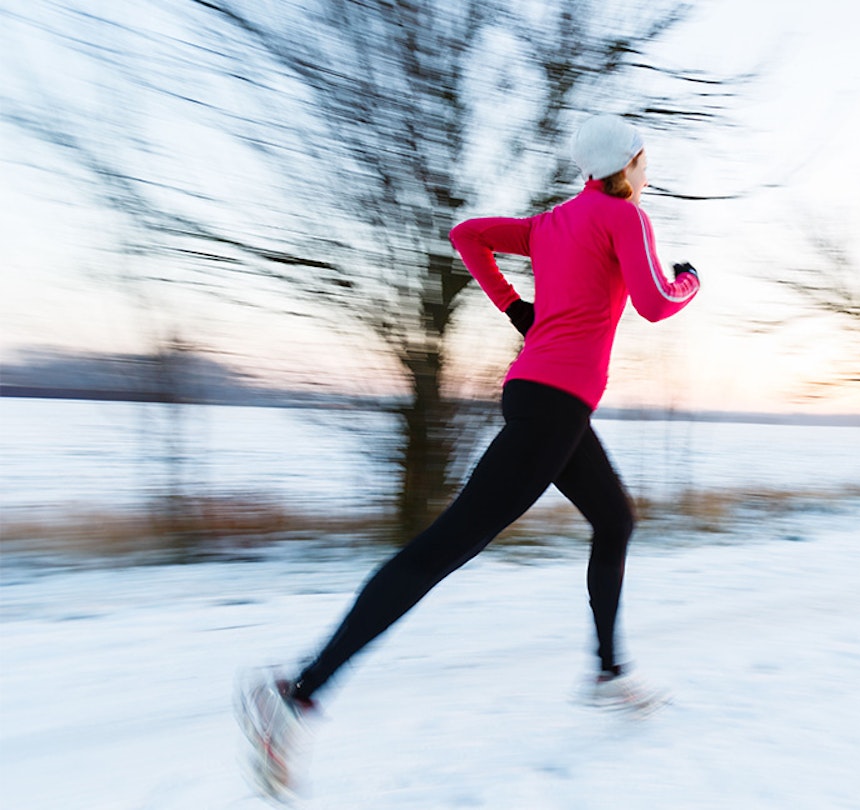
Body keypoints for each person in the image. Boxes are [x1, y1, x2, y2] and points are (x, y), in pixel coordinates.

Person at [236, 114, 700, 798]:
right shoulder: (623, 216)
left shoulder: (552, 223)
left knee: (614, 519)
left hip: (539, 398)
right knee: (444, 547)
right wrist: (690, 279)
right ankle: (297, 691)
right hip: (554, 407)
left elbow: (468, 235)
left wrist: (516, 308)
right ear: (627, 164)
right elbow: (657, 303)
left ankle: (606, 674)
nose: (646, 168)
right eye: (642, 158)